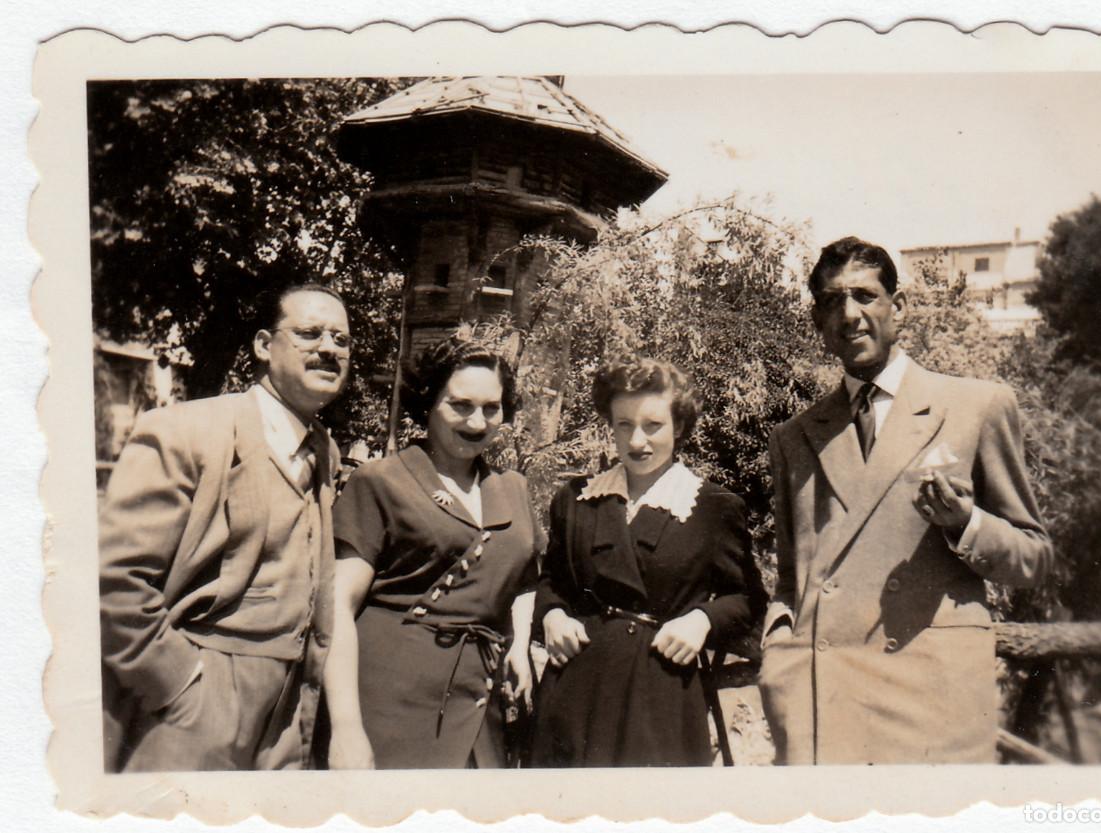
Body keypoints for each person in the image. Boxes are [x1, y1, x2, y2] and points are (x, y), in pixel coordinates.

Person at [758, 236, 1053, 764]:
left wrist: (966, 524)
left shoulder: (976, 407)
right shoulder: (794, 438)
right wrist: (779, 656)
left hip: (931, 701)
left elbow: (1034, 558)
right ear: (817, 321)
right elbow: (790, 579)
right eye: (832, 301)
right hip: (823, 699)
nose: (850, 314)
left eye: (866, 296)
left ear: (900, 307)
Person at [99, 283, 352, 771]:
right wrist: (179, 685)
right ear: (263, 345)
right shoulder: (185, 431)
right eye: (309, 333)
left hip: (290, 708)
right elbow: (115, 581)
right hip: (197, 696)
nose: (328, 348)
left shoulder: (325, 449)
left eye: (341, 340)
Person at [531, 357, 765, 767]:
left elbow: (748, 599)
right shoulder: (576, 499)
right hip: (576, 689)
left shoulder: (712, 508)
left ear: (679, 426)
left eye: (652, 426)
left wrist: (703, 620)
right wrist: (552, 615)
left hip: (660, 692)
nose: (637, 441)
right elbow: (552, 581)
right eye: (624, 425)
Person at [322, 336, 540, 769]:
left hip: (479, 701)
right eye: (460, 405)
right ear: (428, 402)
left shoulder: (512, 488)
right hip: (389, 699)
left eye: (492, 408)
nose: (478, 422)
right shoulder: (381, 481)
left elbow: (525, 579)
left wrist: (519, 648)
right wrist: (345, 726)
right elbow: (335, 607)